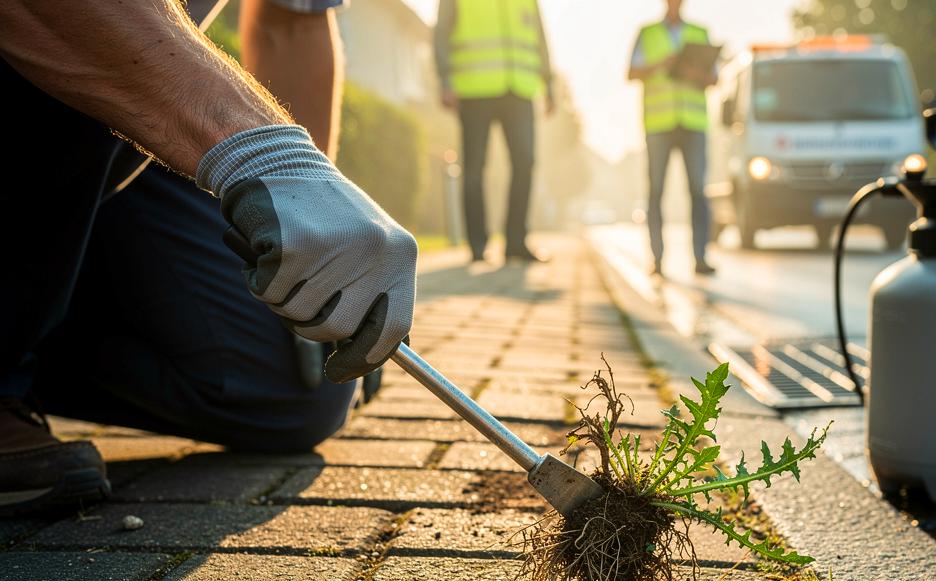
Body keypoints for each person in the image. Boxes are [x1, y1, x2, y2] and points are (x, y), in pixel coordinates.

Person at [0, 0, 418, 515]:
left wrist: (312, 234)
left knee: (288, 388)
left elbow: (292, 22)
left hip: (106, 138)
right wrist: (266, 150)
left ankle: (24, 329)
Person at [434, 0, 555, 263]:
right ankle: (477, 245)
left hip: (520, 88)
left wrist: (549, 82)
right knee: (475, 168)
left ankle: (516, 241)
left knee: (525, 163)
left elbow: (539, 35)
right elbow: (441, 32)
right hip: (474, 88)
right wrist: (445, 79)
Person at [628, 0, 718, 275]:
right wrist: (661, 64)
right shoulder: (648, 33)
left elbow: (714, 79)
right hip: (659, 124)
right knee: (656, 191)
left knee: (698, 191)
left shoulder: (699, 33)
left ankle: (700, 257)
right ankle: (657, 259)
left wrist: (695, 74)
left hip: (692, 123)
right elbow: (631, 72)